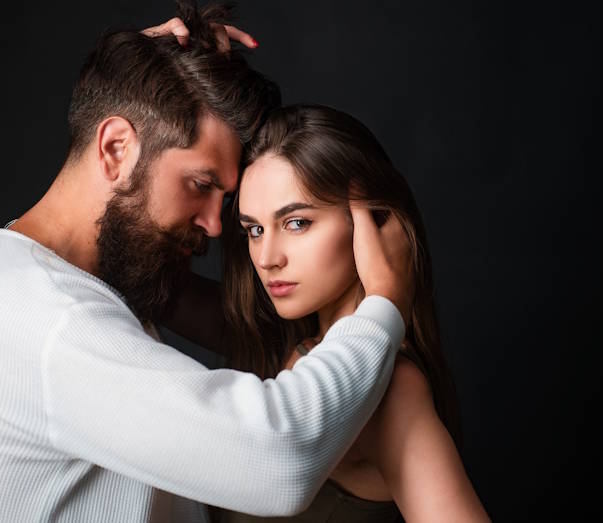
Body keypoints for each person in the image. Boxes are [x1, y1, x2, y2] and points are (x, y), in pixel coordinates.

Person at [0, 3, 413, 522]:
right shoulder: (51, 324)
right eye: (200, 184)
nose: (214, 224)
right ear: (116, 149)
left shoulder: (3, 284)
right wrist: (384, 304)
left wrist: (143, 72)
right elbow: (279, 461)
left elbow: (246, 327)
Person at [209, 105, 491, 522]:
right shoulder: (294, 344)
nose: (267, 258)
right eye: (255, 229)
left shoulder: (392, 388)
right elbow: (163, 298)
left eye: (297, 223)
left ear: (370, 222)